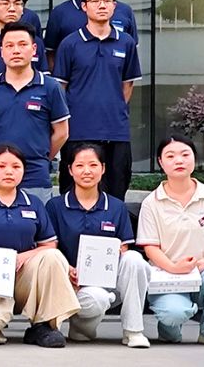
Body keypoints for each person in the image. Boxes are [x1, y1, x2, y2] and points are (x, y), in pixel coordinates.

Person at [0, 144, 79, 347]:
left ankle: (44, 325)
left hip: (25, 275)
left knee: (53, 257)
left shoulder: (33, 203)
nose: (9, 171)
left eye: (16, 166)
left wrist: (22, 257)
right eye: (1, 166)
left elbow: (49, 244)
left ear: (23, 171)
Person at [136, 135, 204, 346]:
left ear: (194, 159)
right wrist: (173, 267)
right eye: (170, 156)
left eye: (185, 154)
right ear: (160, 162)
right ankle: (169, 328)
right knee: (174, 313)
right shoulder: (152, 202)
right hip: (167, 276)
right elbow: (150, 247)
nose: (179, 160)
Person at [46, 144, 151, 347]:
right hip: (70, 283)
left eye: (93, 165)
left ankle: (133, 331)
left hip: (107, 280)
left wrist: (113, 255)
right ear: (70, 170)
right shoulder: (56, 206)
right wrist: (67, 269)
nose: (87, 171)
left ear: (103, 168)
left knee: (134, 259)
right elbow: (50, 247)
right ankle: (82, 327)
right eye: (80, 165)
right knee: (97, 299)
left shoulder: (116, 207)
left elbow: (124, 247)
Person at [52, 0, 140, 199]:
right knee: (73, 193)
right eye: (95, 0)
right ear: (84, 6)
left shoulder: (126, 42)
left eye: (107, 0)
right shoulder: (70, 44)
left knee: (116, 191)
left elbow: (127, 84)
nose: (102, 5)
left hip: (115, 131)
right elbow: (60, 87)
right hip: (78, 131)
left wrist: (114, 110)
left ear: (114, 6)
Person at [0, 23, 69, 201]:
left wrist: (41, 157)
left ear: (34, 49)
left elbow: (62, 132)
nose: (16, 51)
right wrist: (0, 159)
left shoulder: (50, 87)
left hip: (36, 176)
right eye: (9, 46)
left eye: (22, 44)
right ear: (1, 51)